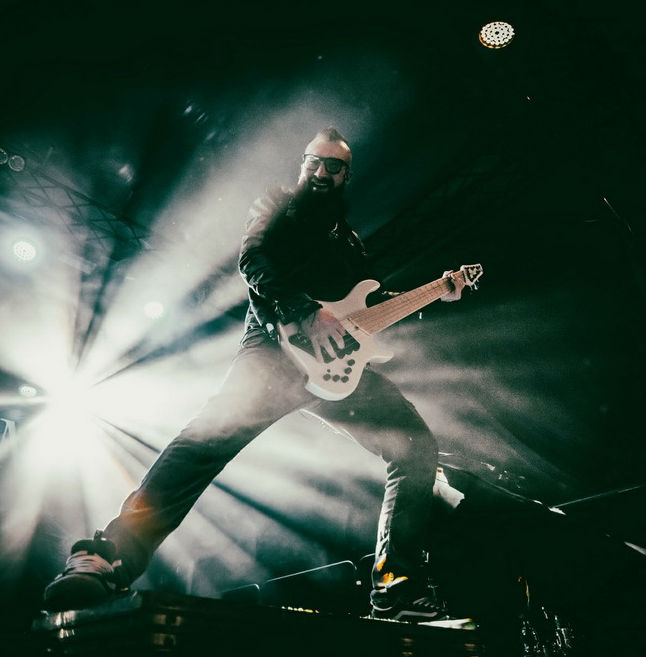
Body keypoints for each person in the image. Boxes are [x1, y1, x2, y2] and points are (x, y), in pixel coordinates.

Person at [43, 127, 466, 621]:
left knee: (414, 446)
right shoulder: (277, 204)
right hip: (272, 350)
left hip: (336, 368)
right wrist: (304, 311)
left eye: (333, 166)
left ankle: (396, 586)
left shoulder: (349, 242)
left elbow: (367, 307)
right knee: (202, 445)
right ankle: (107, 559)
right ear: (303, 164)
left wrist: (437, 291)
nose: (320, 171)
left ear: (346, 175)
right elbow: (253, 260)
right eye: (313, 161)